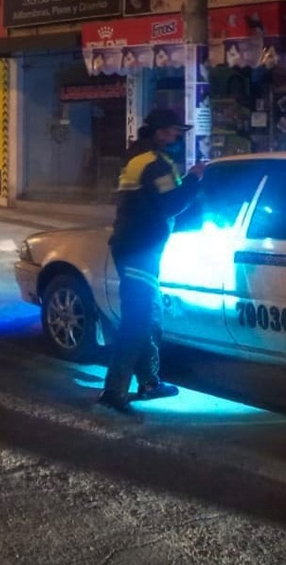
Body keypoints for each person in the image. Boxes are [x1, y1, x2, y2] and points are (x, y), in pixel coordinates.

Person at [98, 109, 206, 415]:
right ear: (159, 131)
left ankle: (149, 382)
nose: (176, 137)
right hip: (139, 251)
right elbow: (172, 203)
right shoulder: (153, 163)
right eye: (173, 132)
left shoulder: (144, 158)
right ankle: (114, 390)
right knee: (137, 321)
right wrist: (194, 179)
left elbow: (159, 201)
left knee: (149, 317)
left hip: (138, 249)